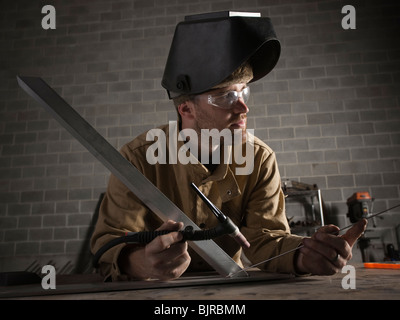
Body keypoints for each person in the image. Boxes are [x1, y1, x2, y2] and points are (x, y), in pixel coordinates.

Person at [90, 12, 367, 281]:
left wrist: (304, 256)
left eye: (244, 91)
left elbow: (266, 239)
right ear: (186, 107)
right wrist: (142, 263)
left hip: (229, 289)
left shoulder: (259, 159)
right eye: (225, 97)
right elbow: (111, 242)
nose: (243, 107)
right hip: (151, 293)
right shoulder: (136, 160)